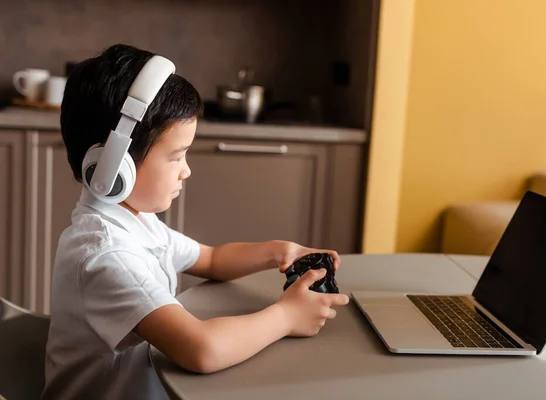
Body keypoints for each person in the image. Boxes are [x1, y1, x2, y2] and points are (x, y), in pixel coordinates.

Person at [41, 43, 349, 400]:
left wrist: (278, 252)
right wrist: (285, 317)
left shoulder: (137, 222)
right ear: (112, 166)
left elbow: (211, 259)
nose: (186, 171)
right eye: (176, 157)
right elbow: (201, 349)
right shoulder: (106, 255)